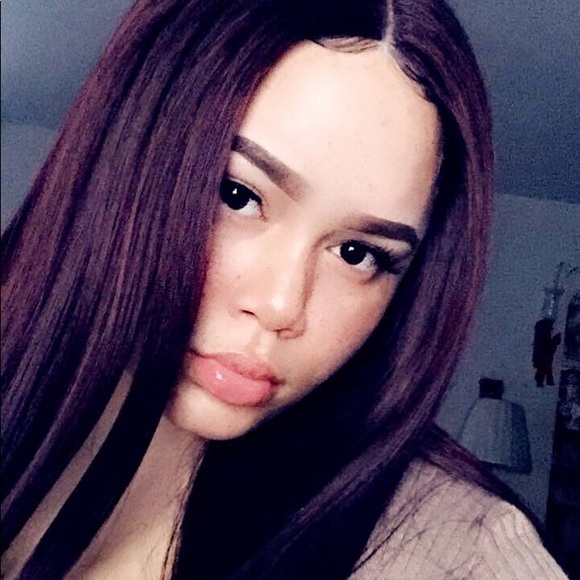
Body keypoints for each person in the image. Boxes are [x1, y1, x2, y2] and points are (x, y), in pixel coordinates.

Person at [0, 0, 567, 578]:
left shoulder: (460, 555)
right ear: (120, 155)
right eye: (238, 196)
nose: (280, 305)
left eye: (357, 254)